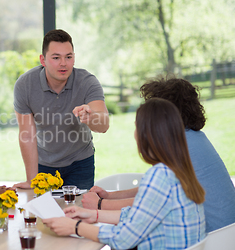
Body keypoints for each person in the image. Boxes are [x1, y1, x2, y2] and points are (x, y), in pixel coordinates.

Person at [43, 98, 206, 250]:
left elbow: (123, 238)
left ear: (148, 135)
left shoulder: (159, 176)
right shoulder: (180, 170)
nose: (135, 135)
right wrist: (92, 215)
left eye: (137, 128)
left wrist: (75, 227)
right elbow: (137, 215)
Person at [82, 77, 235, 234]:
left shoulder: (178, 146)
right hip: (224, 236)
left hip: (210, 238)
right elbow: (155, 190)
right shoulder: (194, 137)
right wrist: (110, 196)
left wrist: (100, 204)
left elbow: (151, 203)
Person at [13, 29, 109, 190]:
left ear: (74, 58)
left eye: (68, 57)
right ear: (43, 60)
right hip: (43, 164)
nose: (63, 63)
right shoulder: (25, 85)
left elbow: (104, 125)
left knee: (79, 212)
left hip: (80, 162)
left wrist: (91, 118)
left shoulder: (88, 82)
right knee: (44, 213)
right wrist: (31, 179)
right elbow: (27, 135)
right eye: (56, 58)